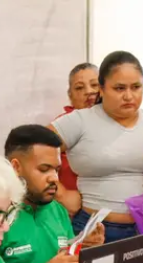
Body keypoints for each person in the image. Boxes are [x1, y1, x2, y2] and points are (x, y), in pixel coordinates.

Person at [50, 50, 143, 243]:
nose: (129, 96)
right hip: (95, 231)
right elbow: (30, 154)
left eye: (136, 87)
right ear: (102, 89)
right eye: (119, 88)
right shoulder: (78, 122)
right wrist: (61, 194)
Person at [1, 124, 104, 263]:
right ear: (15, 167)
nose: (54, 178)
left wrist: (87, 255)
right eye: (44, 169)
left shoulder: (57, 210)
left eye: (56, 169)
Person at [56, 62, 100, 196]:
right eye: (80, 88)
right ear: (70, 96)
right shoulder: (62, 125)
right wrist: (63, 195)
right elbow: (36, 164)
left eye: (94, 85)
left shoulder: (119, 121)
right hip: (73, 208)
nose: (89, 91)